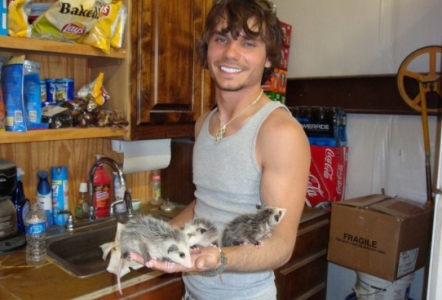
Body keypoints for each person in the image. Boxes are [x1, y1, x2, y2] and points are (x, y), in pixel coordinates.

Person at [136, 0, 310, 299]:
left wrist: (219, 258)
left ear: (268, 58)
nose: (231, 53)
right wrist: (158, 237)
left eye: (249, 43)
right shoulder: (204, 124)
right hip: (194, 293)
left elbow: (281, 245)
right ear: (207, 50)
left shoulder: (280, 133)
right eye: (221, 39)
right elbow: (206, 202)